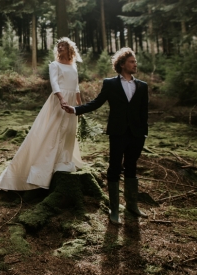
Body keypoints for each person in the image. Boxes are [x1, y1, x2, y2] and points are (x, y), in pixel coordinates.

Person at [0, 37, 84, 195]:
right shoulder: (54, 65)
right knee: (52, 132)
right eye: (59, 46)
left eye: (63, 45)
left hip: (72, 105)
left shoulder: (73, 66)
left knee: (69, 131)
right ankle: (42, 171)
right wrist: (61, 99)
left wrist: (80, 106)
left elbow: (76, 87)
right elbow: (54, 83)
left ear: (70, 49)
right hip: (58, 102)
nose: (60, 48)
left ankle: (61, 162)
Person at [63, 47, 148, 225]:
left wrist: (143, 133)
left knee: (131, 166)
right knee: (114, 168)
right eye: (132, 62)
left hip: (137, 134)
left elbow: (143, 112)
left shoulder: (142, 86)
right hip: (117, 132)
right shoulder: (110, 84)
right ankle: (114, 209)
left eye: (135, 62)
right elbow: (97, 102)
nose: (135, 64)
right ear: (122, 64)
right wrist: (76, 110)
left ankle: (132, 205)